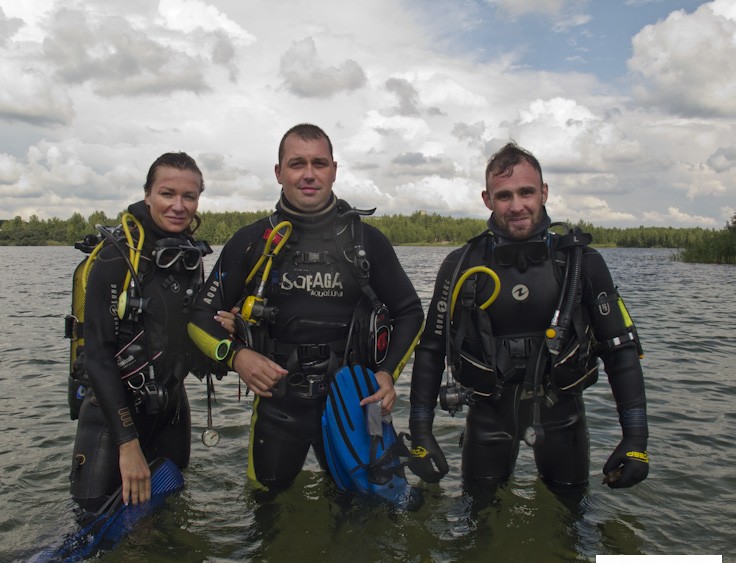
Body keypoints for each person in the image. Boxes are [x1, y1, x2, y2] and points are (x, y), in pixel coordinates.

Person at [187, 123, 424, 492]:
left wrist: (389, 374)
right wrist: (237, 358)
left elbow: (410, 312)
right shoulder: (251, 241)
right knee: (266, 513)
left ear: (334, 169)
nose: (309, 174)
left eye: (319, 163)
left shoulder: (366, 241)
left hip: (358, 401)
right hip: (278, 400)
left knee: (370, 512)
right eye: (297, 164)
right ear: (279, 172)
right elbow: (200, 318)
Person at [407, 142, 649, 499]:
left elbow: (621, 350)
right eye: (504, 195)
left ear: (544, 192)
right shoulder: (461, 265)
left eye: (526, 192)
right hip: (488, 417)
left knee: (571, 521)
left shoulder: (581, 263)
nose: (517, 205)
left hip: (562, 416)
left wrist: (636, 439)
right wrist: (421, 434)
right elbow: (430, 350)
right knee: (477, 523)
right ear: (487, 199)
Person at [69, 152, 232, 510]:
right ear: (147, 196)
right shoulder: (116, 259)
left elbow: (190, 349)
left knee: (167, 514)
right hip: (113, 418)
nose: (178, 205)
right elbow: (96, 357)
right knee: (91, 520)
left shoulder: (190, 259)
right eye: (167, 193)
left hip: (171, 408)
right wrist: (127, 444)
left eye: (189, 197)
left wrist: (225, 339)